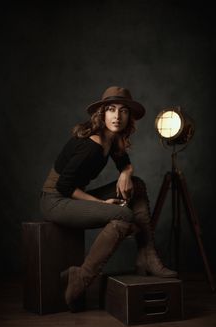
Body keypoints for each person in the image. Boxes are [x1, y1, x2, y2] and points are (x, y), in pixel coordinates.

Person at [40, 86, 177, 312]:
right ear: (102, 114)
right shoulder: (91, 145)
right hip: (55, 200)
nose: (117, 116)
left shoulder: (112, 139)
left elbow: (124, 163)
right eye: (111, 109)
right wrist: (101, 204)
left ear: (128, 117)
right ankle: (81, 277)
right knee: (123, 216)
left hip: (71, 194)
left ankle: (147, 256)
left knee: (138, 186)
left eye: (123, 111)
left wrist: (126, 172)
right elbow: (63, 187)